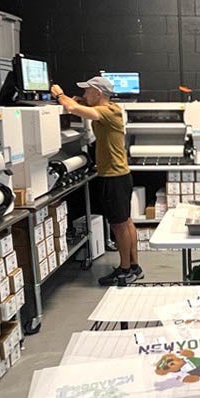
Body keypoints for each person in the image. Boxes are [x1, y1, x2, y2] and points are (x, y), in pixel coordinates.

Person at [51, 76, 143, 286]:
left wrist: (59, 94)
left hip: (113, 177)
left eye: (87, 91)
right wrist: (79, 100)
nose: (84, 94)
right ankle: (133, 266)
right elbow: (81, 104)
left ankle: (125, 270)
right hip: (120, 175)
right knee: (126, 222)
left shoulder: (107, 112)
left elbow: (73, 108)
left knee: (118, 225)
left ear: (98, 93)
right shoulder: (110, 108)